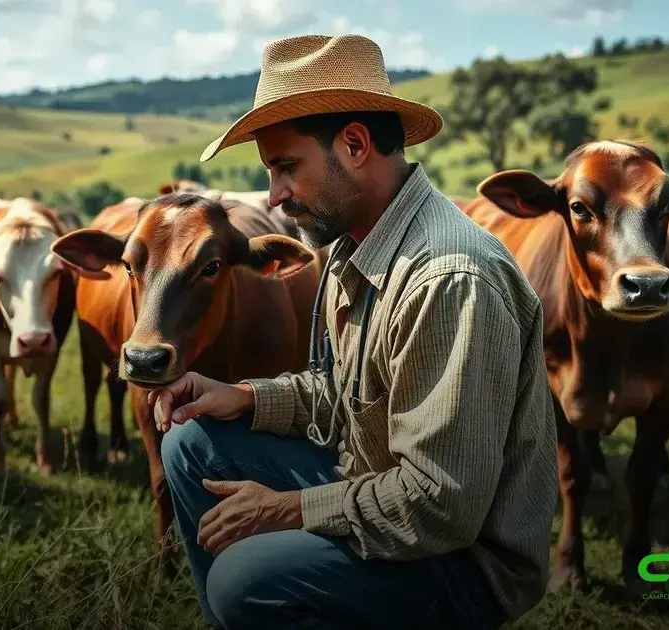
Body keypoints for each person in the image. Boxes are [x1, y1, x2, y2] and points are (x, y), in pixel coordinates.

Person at [150, 34, 559, 629]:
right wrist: (242, 397)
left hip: (462, 564)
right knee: (192, 445)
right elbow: (346, 395)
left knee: (245, 578)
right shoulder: (355, 246)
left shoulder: (448, 279)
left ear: (356, 145)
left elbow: (443, 507)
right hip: (372, 485)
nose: (275, 197)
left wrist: (287, 511)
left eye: (286, 168)